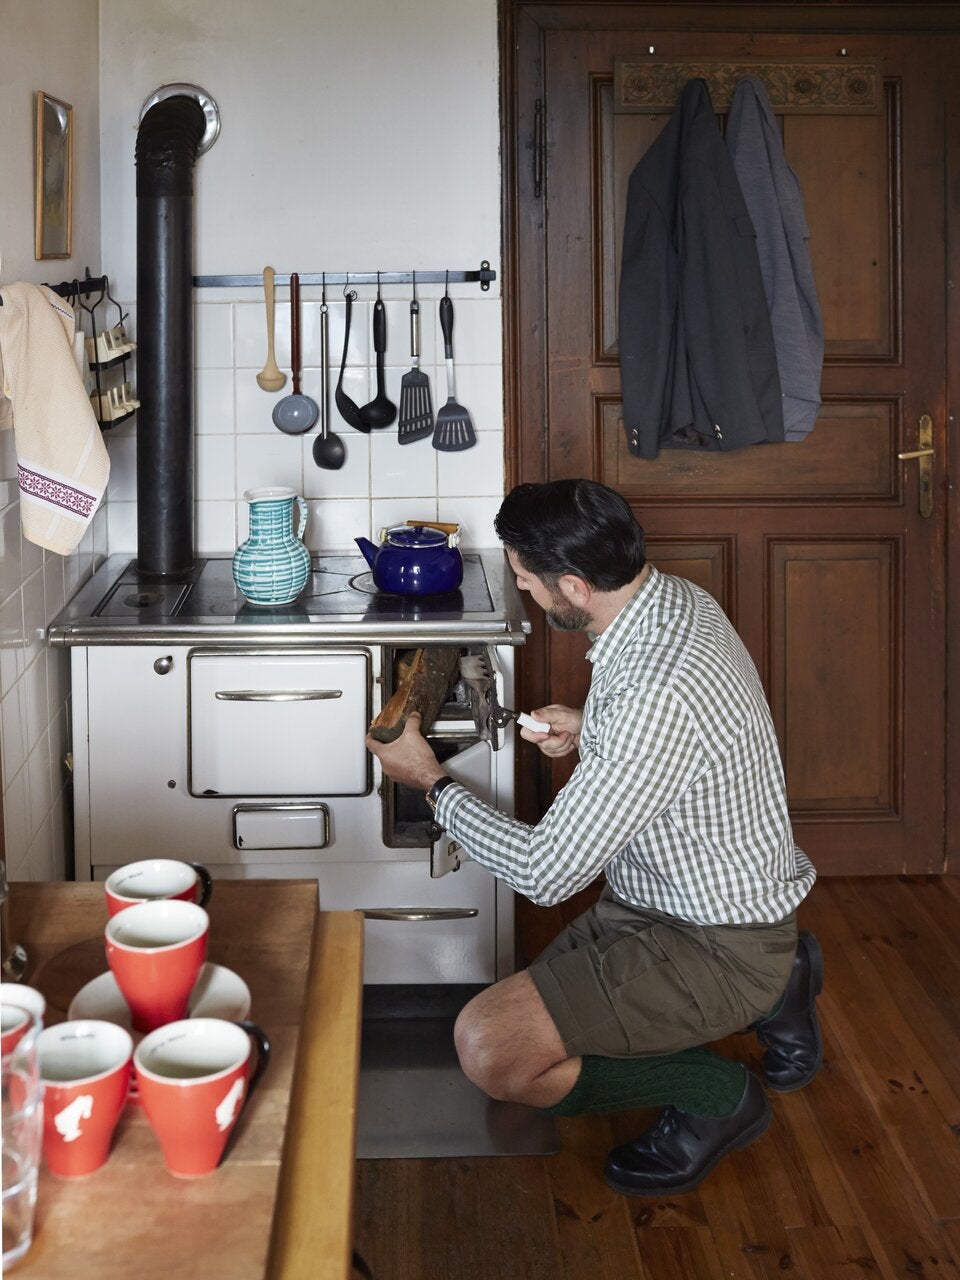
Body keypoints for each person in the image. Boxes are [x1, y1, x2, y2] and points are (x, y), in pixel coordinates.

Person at [365, 479, 822, 1196]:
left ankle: (718, 1093)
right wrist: (590, 729)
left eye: (523, 579)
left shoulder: (653, 691)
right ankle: (786, 975)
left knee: (493, 1054)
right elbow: (678, 742)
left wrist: (430, 782)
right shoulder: (672, 602)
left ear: (572, 586)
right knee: (522, 1024)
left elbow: (546, 875)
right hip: (665, 899)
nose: (520, 589)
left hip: (714, 938)